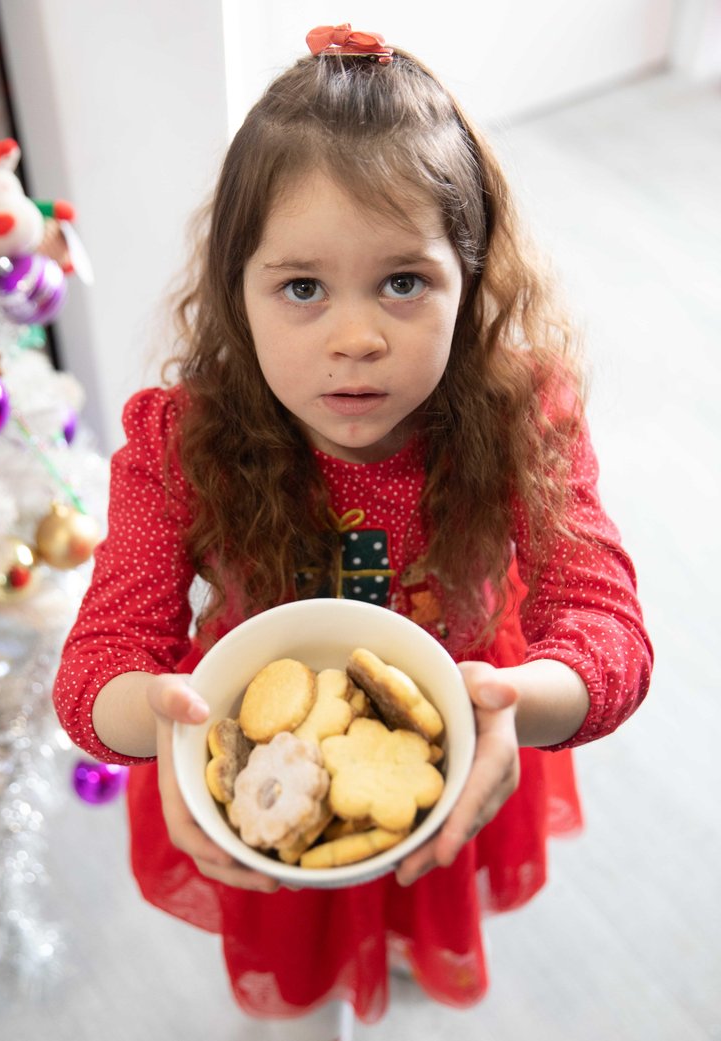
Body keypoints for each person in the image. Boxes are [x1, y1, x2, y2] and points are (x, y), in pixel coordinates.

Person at [53, 23, 652, 1041]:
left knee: (423, 895)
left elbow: (605, 625)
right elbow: (97, 665)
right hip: (253, 754)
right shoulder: (179, 443)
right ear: (237, 296)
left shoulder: (519, 414)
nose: (355, 336)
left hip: (465, 725)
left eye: (403, 282)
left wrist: (516, 703)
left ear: (468, 284)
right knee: (298, 991)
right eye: (300, 288)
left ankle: (411, 951)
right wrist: (152, 717)